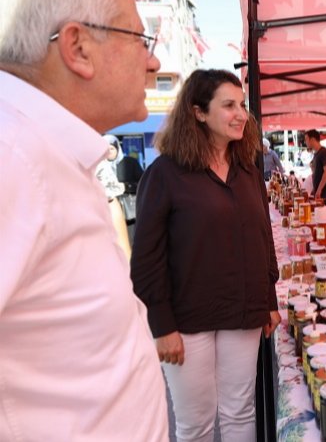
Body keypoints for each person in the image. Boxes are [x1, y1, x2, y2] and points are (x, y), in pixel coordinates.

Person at [0, 0, 167, 440]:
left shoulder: (44, 151)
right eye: (140, 38)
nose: (153, 60)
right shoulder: (15, 156)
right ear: (77, 48)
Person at [130, 69, 281, 442]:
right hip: (187, 320)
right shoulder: (165, 173)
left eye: (242, 105)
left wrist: (269, 299)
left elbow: (263, 239)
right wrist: (162, 325)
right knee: (195, 424)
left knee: (239, 411)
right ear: (198, 112)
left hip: (243, 311)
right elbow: (147, 258)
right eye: (228, 105)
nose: (241, 114)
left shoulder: (248, 171)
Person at [304, 129, 326, 205]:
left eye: (306, 139)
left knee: (325, 215)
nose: (305, 142)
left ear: (312, 139)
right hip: (320, 192)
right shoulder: (316, 154)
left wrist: (319, 190)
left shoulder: (324, 152)